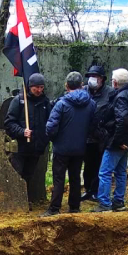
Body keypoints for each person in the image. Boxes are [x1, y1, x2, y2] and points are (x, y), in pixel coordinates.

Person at [43, 71, 97, 216]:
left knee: (59, 179)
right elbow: (93, 126)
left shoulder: (61, 104)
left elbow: (50, 127)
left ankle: (54, 208)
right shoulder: (91, 104)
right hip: (80, 148)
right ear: (82, 85)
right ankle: (74, 206)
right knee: (75, 178)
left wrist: (55, 140)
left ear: (66, 86)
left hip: (61, 148)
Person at [94, 68, 128, 212]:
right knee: (121, 172)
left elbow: (122, 120)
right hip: (127, 141)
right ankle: (118, 201)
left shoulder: (121, 97)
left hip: (118, 142)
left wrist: (117, 141)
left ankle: (104, 203)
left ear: (115, 82)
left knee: (105, 172)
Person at [3, 73, 50, 210]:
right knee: (18, 174)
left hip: (36, 147)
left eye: (41, 87)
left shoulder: (45, 102)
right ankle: (15, 201)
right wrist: (21, 131)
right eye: (36, 87)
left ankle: (25, 200)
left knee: (29, 175)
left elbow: (49, 122)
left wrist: (44, 139)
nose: (39, 90)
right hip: (20, 147)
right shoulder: (19, 101)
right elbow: (9, 122)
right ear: (30, 87)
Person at [82, 64, 113, 201]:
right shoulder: (83, 91)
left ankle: (96, 191)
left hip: (100, 137)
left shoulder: (110, 93)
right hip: (84, 136)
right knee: (87, 166)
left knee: (98, 166)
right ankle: (88, 190)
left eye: (96, 77)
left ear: (102, 79)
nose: (93, 79)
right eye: (90, 76)